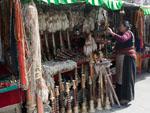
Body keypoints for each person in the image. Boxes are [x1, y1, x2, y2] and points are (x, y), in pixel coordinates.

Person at [107, 21, 136, 106]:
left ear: (125, 27)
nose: (120, 27)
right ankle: (120, 97)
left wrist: (112, 33)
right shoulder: (123, 33)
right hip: (123, 57)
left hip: (127, 59)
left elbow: (122, 39)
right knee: (120, 77)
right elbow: (118, 42)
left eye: (121, 26)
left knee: (125, 78)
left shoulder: (128, 33)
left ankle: (125, 98)